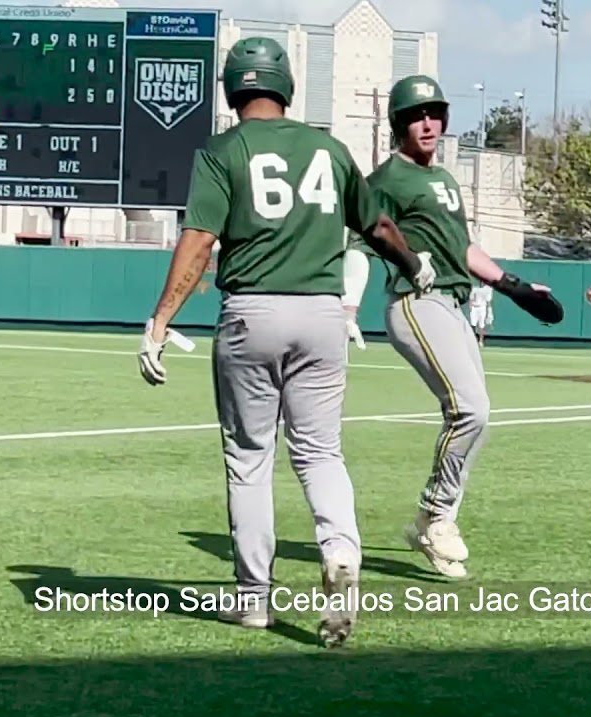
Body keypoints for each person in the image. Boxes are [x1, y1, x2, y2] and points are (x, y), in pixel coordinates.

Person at [135, 37, 434, 648]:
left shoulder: (224, 150)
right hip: (323, 314)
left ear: (231, 89)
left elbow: (198, 241)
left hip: (252, 311)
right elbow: (376, 224)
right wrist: (414, 265)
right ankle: (341, 551)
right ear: (286, 85)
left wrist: (161, 318)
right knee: (321, 453)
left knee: (250, 459)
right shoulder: (327, 146)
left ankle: (253, 599)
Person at [367, 73, 560, 579]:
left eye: (434, 113)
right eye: (415, 115)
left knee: (480, 416)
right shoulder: (387, 179)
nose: (427, 122)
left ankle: (430, 522)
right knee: (469, 409)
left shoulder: (444, 180)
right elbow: (362, 231)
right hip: (416, 299)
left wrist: (513, 285)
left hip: (453, 302)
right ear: (398, 124)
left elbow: (463, 250)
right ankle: (437, 514)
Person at [468, 281, 494, 347]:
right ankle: (473, 340)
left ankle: (481, 341)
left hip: (482, 308)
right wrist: (470, 307)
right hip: (474, 308)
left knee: (481, 325)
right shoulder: (475, 289)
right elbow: (471, 298)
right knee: (473, 324)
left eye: (483, 281)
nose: (482, 283)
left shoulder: (488, 289)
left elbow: (489, 301)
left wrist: (489, 312)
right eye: (481, 281)